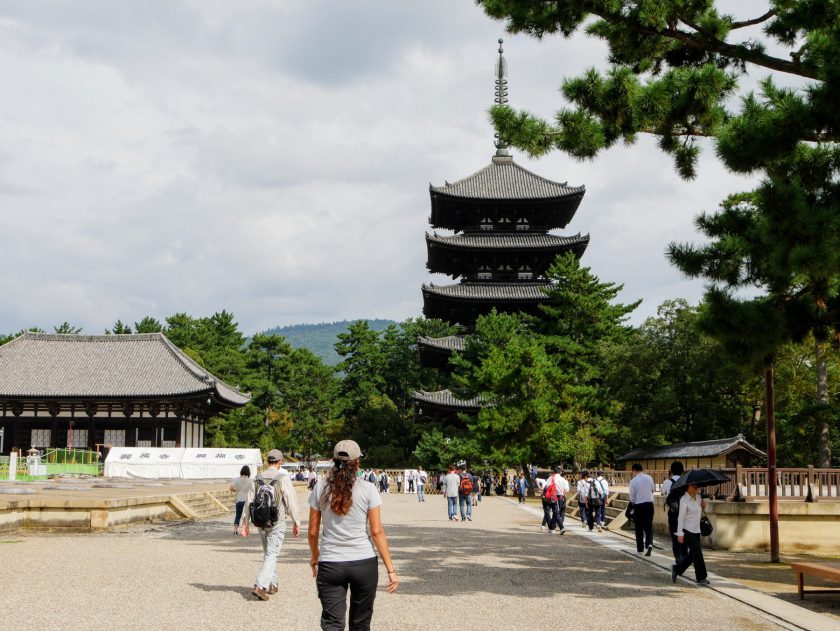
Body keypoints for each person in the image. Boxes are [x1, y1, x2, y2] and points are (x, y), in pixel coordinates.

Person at [308, 439, 398, 630]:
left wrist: (315, 556)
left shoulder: (320, 487)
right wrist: (390, 569)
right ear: (357, 462)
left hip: (331, 562)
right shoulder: (368, 489)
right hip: (363, 562)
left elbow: (313, 531)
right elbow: (376, 531)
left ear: (334, 460)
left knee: (332, 623)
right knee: (360, 623)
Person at [239, 449, 301, 601]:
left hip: (260, 521)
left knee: (269, 553)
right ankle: (260, 586)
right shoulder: (283, 478)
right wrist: (296, 521)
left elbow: (249, 501)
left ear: (267, 462)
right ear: (280, 462)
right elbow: (291, 501)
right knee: (272, 554)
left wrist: (245, 522)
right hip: (276, 521)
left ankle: (273, 584)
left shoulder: (257, 478)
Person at [671, 482, 709, 585]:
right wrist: (680, 534)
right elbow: (681, 518)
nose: (695, 488)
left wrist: (703, 506)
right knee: (697, 552)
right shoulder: (684, 500)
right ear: (687, 487)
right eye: (693, 486)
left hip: (697, 529)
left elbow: (698, 512)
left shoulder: (699, 497)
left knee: (693, 554)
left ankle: (677, 569)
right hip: (687, 530)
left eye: (696, 486)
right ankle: (701, 577)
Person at [660, 461, 687, 563]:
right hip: (685, 514)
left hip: (673, 513)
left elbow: (663, 492)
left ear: (671, 470)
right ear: (682, 470)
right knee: (684, 535)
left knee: (675, 536)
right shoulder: (686, 481)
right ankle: (685, 556)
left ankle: (678, 558)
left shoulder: (668, 482)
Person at [629, 463, 655, 556]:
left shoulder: (633, 481)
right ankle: (649, 544)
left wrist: (634, 503)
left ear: (635, 470)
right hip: (649, 504)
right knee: (649, 526)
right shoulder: (649, 477)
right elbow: (653, 489)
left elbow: (632, 496)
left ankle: (640, 549)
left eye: (633, 471)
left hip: (639, 505)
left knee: (639, 527)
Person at [544, 466, 569, 534]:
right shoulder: (563, 480)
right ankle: (552, 528)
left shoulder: (551, 478)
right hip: (561, 497)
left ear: (554, 472)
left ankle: (561, 527)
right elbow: (566, 489)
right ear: (560, 472)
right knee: (556, 512)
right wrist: (563, 496)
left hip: (553, 496)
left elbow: (546, 486)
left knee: (556, 512)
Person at [230, 465, 251, 535]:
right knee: (245, 516)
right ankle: (244, 530)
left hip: (239, 499)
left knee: (238, 515)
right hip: (247, 500)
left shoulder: (236, 479)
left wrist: (236, 490)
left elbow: (231, 488)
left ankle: (235, 530)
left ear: (241, 471)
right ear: (248, 472)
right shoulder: (250, 480)